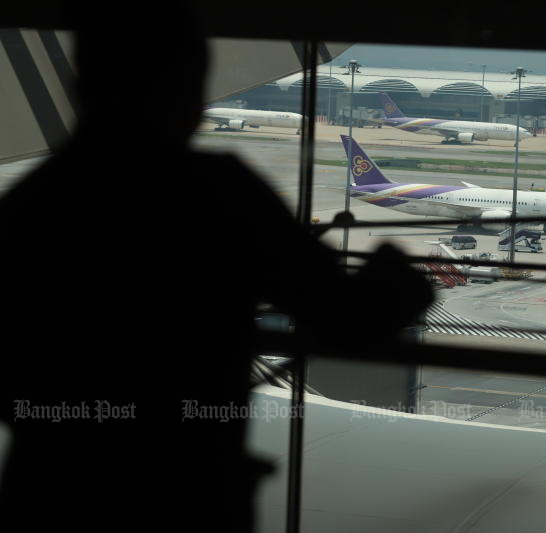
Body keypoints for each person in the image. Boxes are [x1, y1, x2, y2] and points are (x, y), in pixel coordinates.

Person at [0, 7, 432, 533]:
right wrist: (396, 276)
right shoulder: (220, 192)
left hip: (49, 485)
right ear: (185, 91)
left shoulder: (26, 207)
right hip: (192, 483)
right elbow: (351, 321)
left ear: (79, 85)